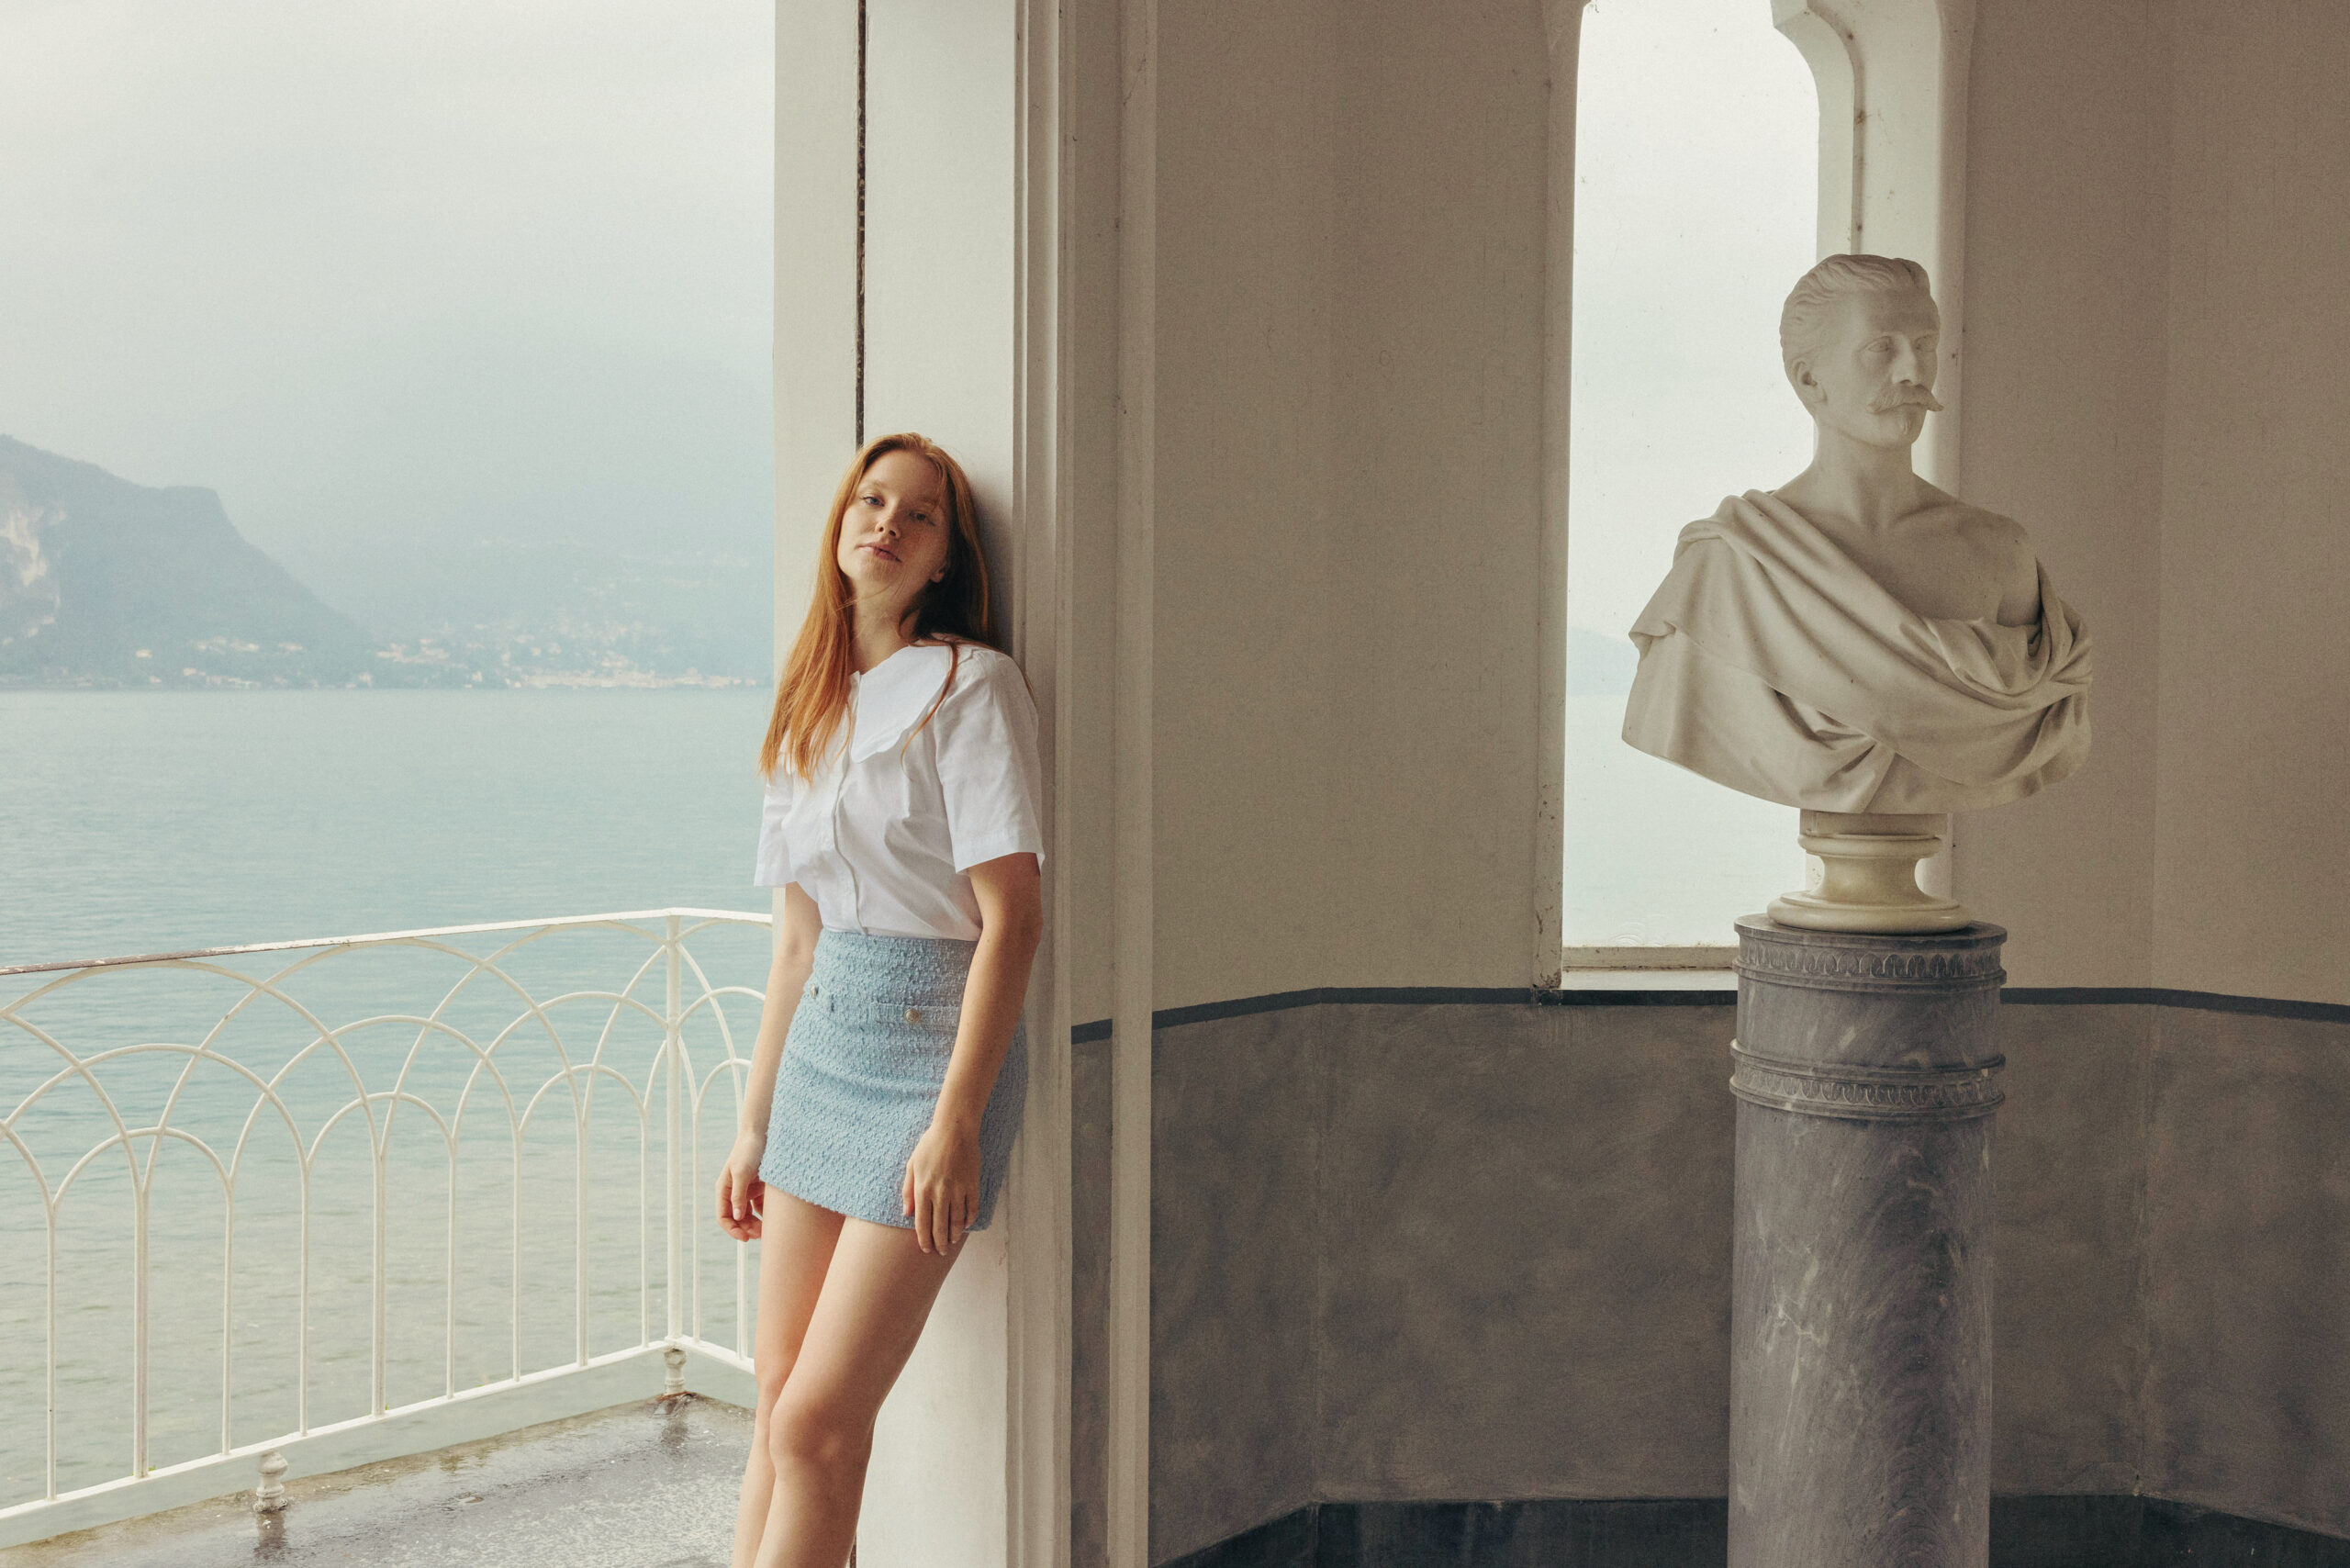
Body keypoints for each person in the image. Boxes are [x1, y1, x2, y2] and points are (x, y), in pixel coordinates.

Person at [716, 431, 1044, 1568]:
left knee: (818, 1419)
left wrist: (958, 1121)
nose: (887, 525)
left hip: (927, 1063)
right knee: (775, 1393)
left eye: (918, 514)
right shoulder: (808, 701)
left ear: (945, 556)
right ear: (840, 525)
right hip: (823, 1052)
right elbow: (797, 943)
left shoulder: (972, 686)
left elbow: (1014, 919)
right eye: (870, 501)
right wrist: (753, 1123)